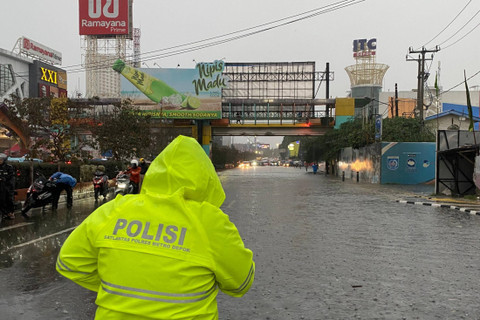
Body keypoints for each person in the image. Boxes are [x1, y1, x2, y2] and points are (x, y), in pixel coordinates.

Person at [56, 135, 255, 319]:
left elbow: (69, 261)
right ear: (207, 179)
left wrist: (123, 290)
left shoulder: (116, 209)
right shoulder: (211, 222)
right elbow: (241, 283)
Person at [0, 153, 15, 220]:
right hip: (0, 187)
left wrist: (4, 179)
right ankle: (3, 212)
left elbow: (11, 177)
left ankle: (11, 213)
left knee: (9, 199)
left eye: (1, 159)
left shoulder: (9, 167)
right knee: (1, 200)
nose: (0, 161)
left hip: (7, 187)